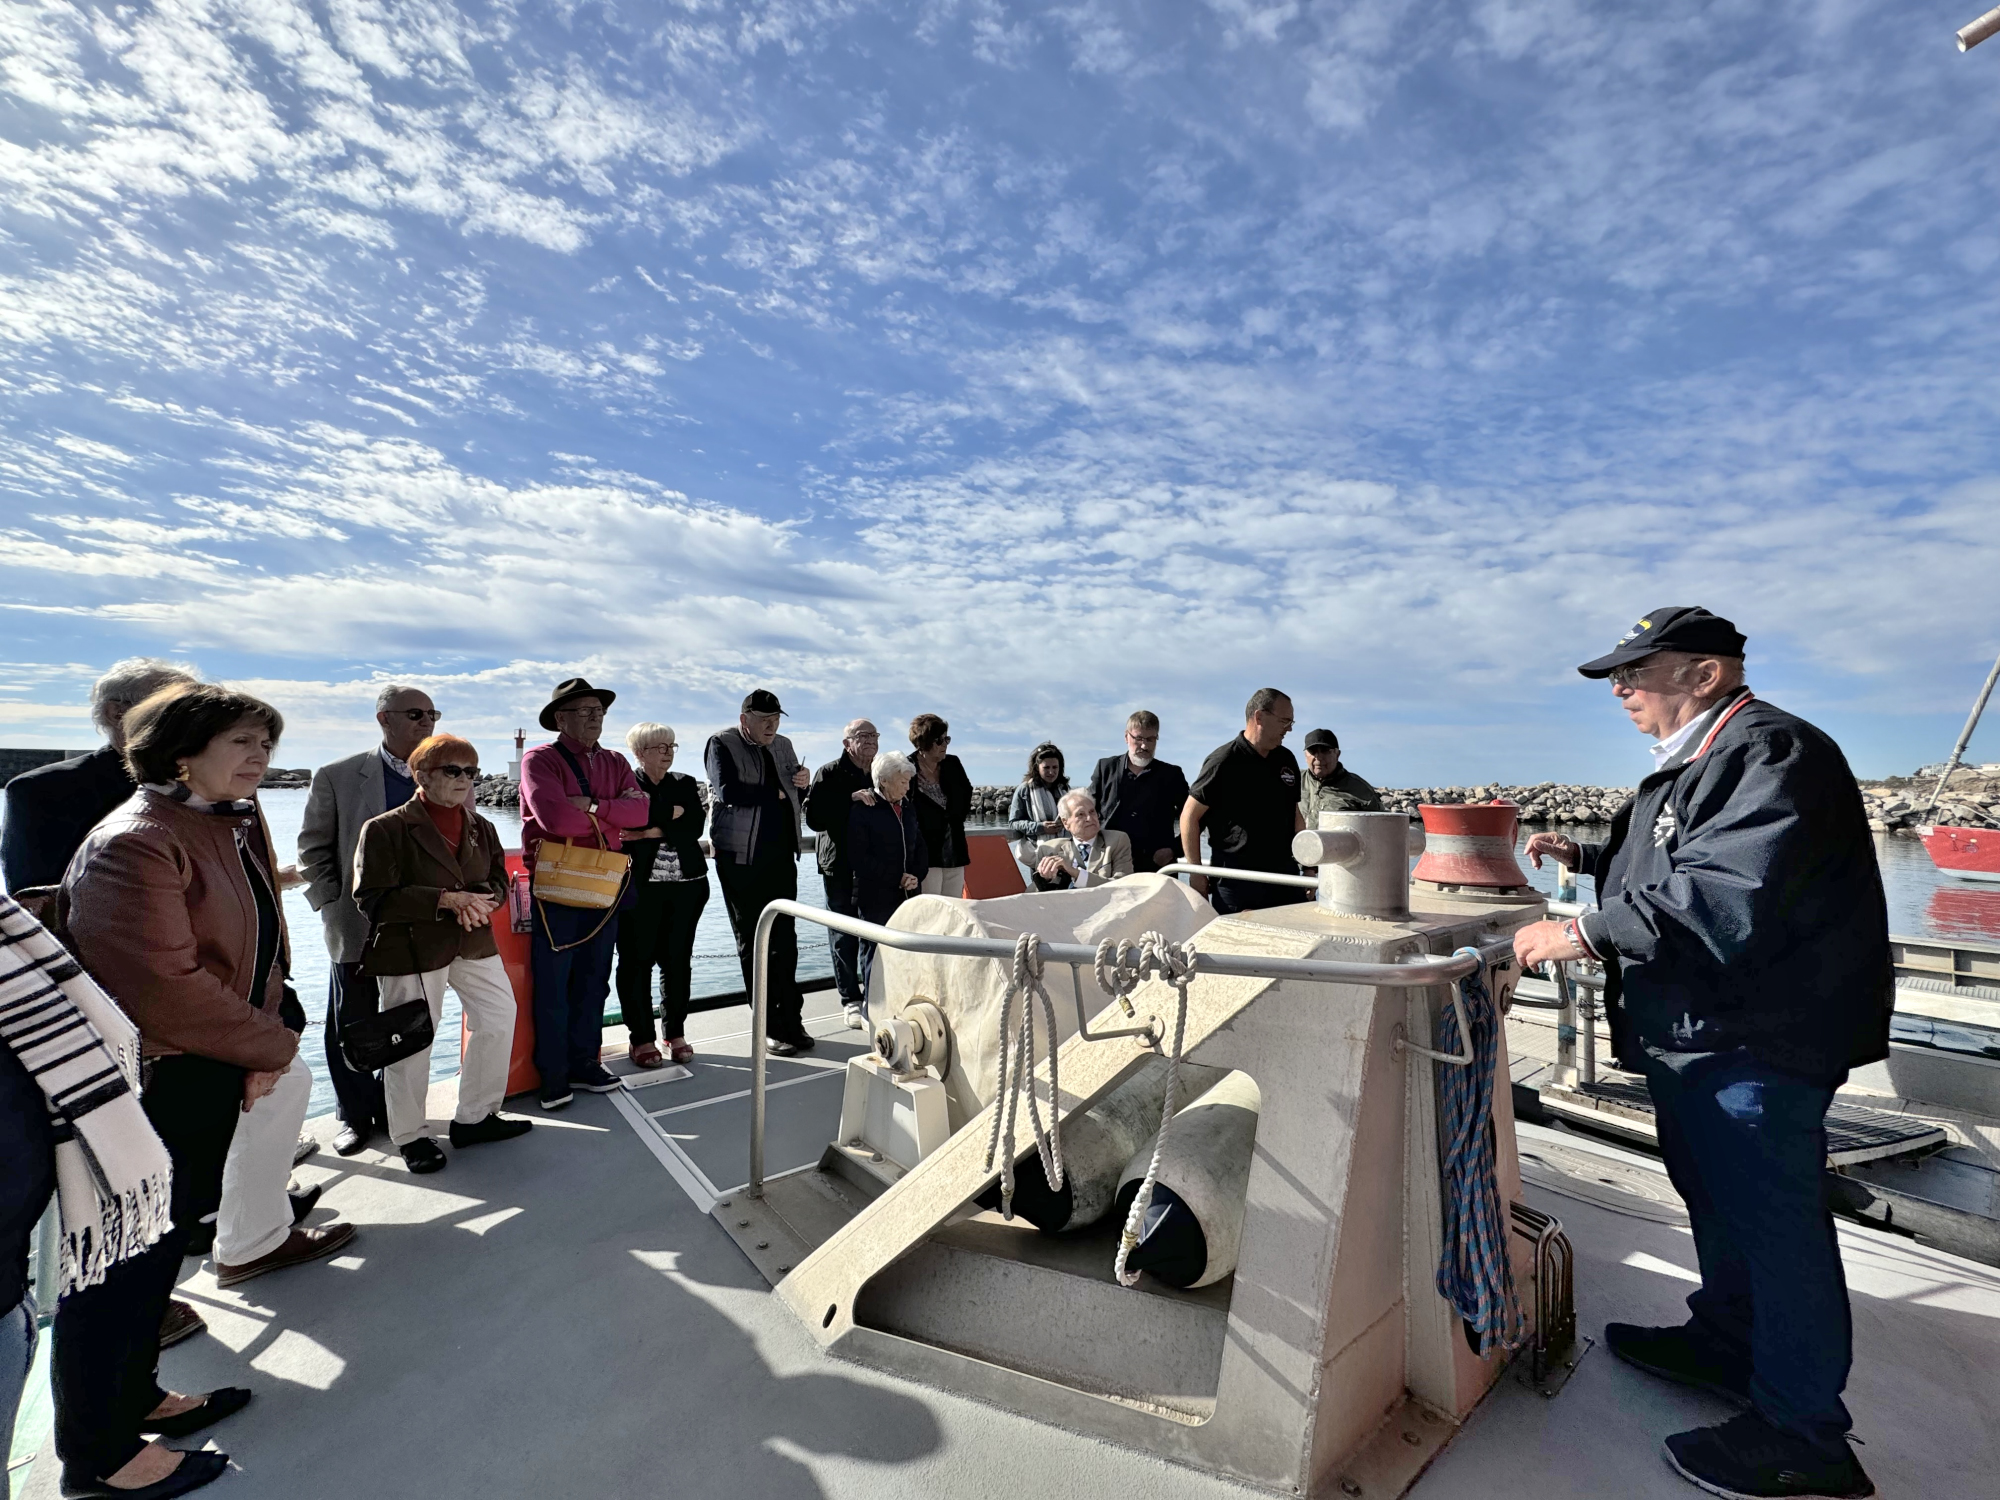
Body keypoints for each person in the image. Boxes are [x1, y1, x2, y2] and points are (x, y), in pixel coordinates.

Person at [1513, 607, 1889, 1500]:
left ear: (1706, 675)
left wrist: (1585, 933)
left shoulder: (1771, 753)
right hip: (1699, 1037)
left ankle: (1805, 1436)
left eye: (1638, 671)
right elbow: (1678, 861)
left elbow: (1732, 888)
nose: (1621, 689)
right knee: (1713, 1199)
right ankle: (1728, 1339)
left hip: (1754, 1041)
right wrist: (1595, 857)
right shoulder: (1708, 758)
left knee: (1775, 1222)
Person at [61, 685, 356, 1431]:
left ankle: (136, 1400)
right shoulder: (137, 841)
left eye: (266, 744)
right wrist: (273, 1043)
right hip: (162, 1075)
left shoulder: (228, 820)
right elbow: (161, 988)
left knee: (161, 1243)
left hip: (212, 1057)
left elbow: (260, 936)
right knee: (131, 1259)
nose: (260, 757)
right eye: (242, 743)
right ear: (181, 754)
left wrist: (260, 1033)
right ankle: (106, 1442)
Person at [1, 891, 228, 1500]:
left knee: (147, 1258)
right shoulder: (130, 837)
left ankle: (134, 1401)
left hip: (84, 1142)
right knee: (108, 1277)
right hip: (150, 1084)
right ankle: (99, 1453)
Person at [352, 734, 532, 1175]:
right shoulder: (385, 829)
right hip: (411, 949)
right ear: (422, 775)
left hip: (472, 941)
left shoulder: (481, 827)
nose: (464, 780)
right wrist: (446, 900)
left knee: (497, 1017)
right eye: (453, 770)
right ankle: (410, 1136)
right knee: (410, 1043)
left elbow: (496, 882)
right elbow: (372, 897)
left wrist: (481, 903)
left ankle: (475, 1116)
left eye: (470, 772)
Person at [298, 685, 441, 1156]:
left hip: (423, 923)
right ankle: (355, 1115)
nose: (427, 722)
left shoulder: (446, 775)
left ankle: (396, 1110)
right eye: (416, 714)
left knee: (412, 1016)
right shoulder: (338, 776)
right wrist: (331, 904)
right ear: (384, 718)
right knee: (352, 1017)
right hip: (358, 923)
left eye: (432, 714)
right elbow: (313, 848)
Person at [519, 678, 651, 1110]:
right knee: (554, 984)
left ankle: (586, 1064)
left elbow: (642, 810)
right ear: (561, 718)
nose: (595, 717)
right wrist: (612, 815)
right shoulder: (540, 759)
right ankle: (553, 1077)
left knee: (595, 980)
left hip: (605, 885)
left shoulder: (614, 760)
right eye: (585, 711)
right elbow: (555, 818)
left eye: (599, 711)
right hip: (556, 887)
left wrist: (592, 807)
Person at [2, 657, 198, 895]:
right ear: (116, 713)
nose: (195, 723)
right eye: (175, 708)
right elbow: (35, 900)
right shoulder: (43, 789)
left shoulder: (212, 784)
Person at [706, 690, 814, 1055]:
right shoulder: (721, 743)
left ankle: (792, 1021)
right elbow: (728, 790)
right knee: (753, 941)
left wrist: (802, 781)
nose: (772, 726)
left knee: (787, 941)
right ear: (744, 718)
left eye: (777, 719)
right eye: (764, 719)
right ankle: (767, 1026)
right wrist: (778, 794)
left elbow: (794, 789)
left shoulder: (783, 744)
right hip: (741, 859)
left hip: (782, 857)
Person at [614, 723, 710, 1067]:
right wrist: (669, 817)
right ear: (640, 753)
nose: (668, 752)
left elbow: (696, 825)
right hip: (639, 889)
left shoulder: (684, 783)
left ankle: (675, 1031)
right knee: (636, 963)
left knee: (677, 961)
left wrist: (650, 830)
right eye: (659, 747)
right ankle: (641, 1038)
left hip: (687, 886)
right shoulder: (626, 785)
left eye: (672, 745)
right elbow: (624, 823)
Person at [1179, 689, 1307, 913]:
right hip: (1238, 881)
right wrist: (1196, 873)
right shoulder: (1224, 761)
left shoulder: (1286, 759)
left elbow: (1296, 816)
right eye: (1285, 721)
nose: (1290, 728)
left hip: (1285, 877)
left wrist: (1309, 869)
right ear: (1259, 717)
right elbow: (1189, 816)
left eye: (1291, 721)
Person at [805, 719, 880, 1031]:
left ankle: (874, 996)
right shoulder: (829, 772)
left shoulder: (879, 771)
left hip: (873, 865)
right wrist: (850, 798)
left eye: (875, 735)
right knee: (842, 932)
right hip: (838, 863)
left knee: (873, 932)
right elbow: (813, 818)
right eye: (864, 736)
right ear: (847, 742)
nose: (872, 741)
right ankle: (850, 999)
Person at [846, 751, 928, 997]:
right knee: (875, 953)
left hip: (909, 892)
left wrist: (916, 875)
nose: (907, 786)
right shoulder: (863, 811)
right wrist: (896, 878)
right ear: (883, 781)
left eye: (908, 781)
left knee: (908, 952)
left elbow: (920, 847)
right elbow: (859, 858)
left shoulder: (908, 807)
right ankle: (873, 1007)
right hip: (876, 896)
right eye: (902, 781)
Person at [1087, 710, 1188, 874]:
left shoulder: (1172, 775)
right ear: (1127, 737)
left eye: (1150, 739)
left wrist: (1173, 850)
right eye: (1139, 738)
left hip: (1156, 866)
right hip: (1109, 864)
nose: (1144, 745)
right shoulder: (1105, 768)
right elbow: (1087, 811)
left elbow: (1194, 817)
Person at [906, 715, 973, 899]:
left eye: (947, 739)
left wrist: (955, 818)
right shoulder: (907, 768)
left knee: (954, 906)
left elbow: (966, 794)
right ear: (924, 743)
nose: (945, 744)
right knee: (931, 908)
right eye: (939, 740)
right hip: (925, 852)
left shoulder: (953, 764)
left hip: (954, 848)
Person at [1033, 789, 1134, 891]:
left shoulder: (1116, 841)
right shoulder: (1049, 850)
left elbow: (1122, 885)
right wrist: (1046, 879)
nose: (1089, 818)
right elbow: (1040, 896)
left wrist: (1075, 873)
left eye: (1092, 812)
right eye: (1081, 814)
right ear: (1066, 823)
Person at [1298, 729, 1384, 827]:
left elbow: (1381, 827)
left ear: (1337, 754)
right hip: (1298, 842)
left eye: (1325, 751)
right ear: (1305, 755)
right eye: (1313, 751)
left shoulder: (1360, 789)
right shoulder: (1293, 781)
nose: (1318, 757)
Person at [1007, 743, 1069, 860]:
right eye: (1046, 768)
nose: (1051, 772)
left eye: (1055, 767)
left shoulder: (1065, 789)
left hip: (1066, 851)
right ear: (1037, 767)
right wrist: (1040, 827)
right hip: (1037, 851)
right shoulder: (1024, 790)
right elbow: (1014, 822)